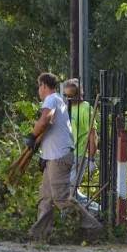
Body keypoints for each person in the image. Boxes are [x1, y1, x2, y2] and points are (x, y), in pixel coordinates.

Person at [27, 73, 102, 241]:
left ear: (44, 86)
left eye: (39, 87)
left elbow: (45, 119)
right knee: (46, 197)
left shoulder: (51, 99)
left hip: (59, 158)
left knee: (61, 198)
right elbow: (51, 130)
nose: (39, 90)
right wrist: (44, 154)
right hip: (55, 156)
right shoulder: (59, 100)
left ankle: (93, 228)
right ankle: (40, 234)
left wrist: (31, 136)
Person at [63, 78, 100, 213]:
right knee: (68, 189)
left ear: (79, 94)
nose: (68, 98)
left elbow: (93, 135)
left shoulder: (86, 109)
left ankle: (92, 212)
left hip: (79, 154)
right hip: (66, 154)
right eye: (66, 96)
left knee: (70, 191)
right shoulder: (66, 107)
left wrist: (91, 158)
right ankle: (96, 210)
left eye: (71, 95)